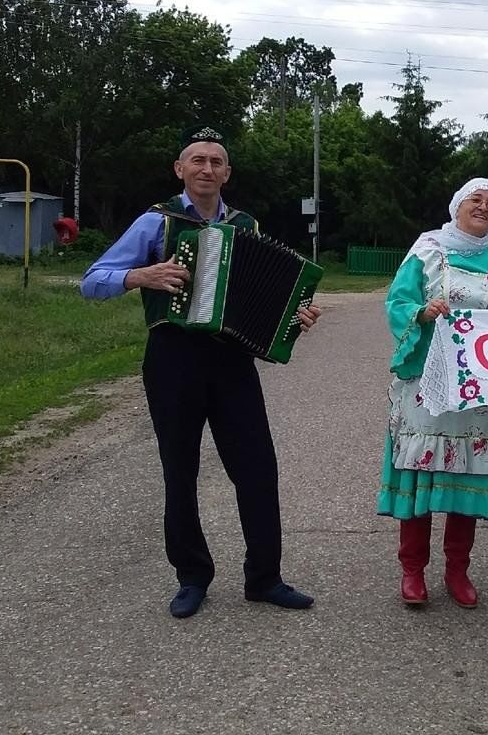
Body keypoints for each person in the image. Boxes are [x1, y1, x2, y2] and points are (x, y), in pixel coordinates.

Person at [81, 125, 320, 619]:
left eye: (216, 162)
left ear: (227, 173)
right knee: (180, 468)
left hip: (233, 362)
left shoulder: (246, 226)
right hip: (173, 358)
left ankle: (264, 578)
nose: (207, 169)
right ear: (180, 169)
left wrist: (296, 316)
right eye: (198, 161)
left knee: (257, 469)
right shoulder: (157, 223)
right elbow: (92, 281)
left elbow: (269, 300)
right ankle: (192, 576)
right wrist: (139, 275)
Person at [379, 178, 488, 608]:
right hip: (429, 384)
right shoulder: (428, 250)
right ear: (457, 207)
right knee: (421, 479)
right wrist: (422, 311)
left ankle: (457, 570)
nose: (484, 207)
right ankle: (412, 571)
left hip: (480, 390)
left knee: (465, 480)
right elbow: (398, 302)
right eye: (476, 200)